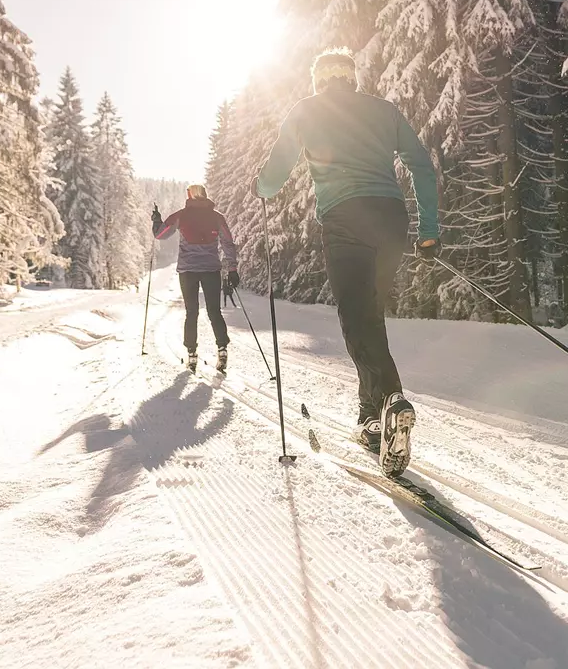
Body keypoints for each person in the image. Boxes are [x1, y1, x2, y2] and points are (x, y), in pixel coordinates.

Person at [255, 48, 439, 477]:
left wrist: (261, 187)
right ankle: (369, 418)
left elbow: (276, 171)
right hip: (391, 220)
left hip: (344, 220)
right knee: (369, 316)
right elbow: (422, 167)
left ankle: (392, 399)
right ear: (352, 78)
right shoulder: (384, 111)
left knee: (356, 318)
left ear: (320, 81)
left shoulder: (306, 111)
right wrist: (429, 231)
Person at [152, 185, 240, 373]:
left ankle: (191, 354)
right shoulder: (217, 217)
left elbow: (160, 235)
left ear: (190, 196)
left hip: (188, 270)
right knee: (214, 311)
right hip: (211, 270)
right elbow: (227, 242)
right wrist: (232, 268)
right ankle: (222, 350)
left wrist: (156, 220)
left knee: (191, 312)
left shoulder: (181, 215)